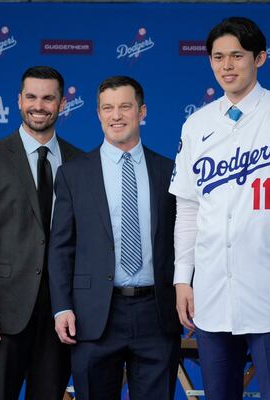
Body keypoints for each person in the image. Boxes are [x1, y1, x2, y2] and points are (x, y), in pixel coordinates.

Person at [169, 17, 270, 400]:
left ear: (261, 58)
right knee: (219, 394)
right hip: (210, 289)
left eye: (237, 55)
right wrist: (183, 278)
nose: (227, 65)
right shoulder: (196, 124)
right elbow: (187, 208)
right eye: (218, 57)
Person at [49, 76, 181, 400]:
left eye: (125, 106)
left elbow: (186, 241)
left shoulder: (170, 171)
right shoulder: (73, 173)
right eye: (107, 108)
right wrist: (62, 306)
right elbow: (61, 246)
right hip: (93, 315)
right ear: (98, 114)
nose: (116, 115)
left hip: (157, 314)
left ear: (142, 111)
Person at [0, 65, 81, 400]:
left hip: (61, 313)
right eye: (31, 96)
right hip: (4, 312)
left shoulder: (80, 161)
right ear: (18, 100)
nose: (38, 105)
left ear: (62, 104)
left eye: (48, 98)